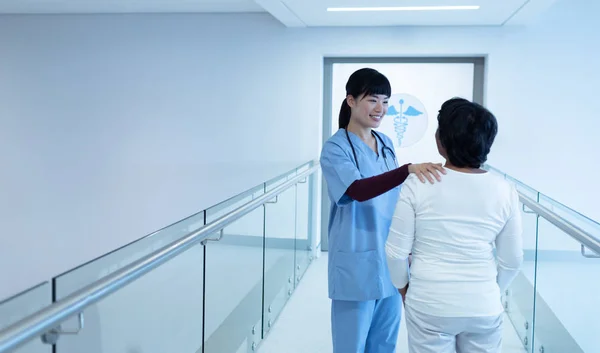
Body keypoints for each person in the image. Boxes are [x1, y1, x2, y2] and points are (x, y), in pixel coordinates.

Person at [320, 68, 446, 353]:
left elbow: (395, 197)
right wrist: (407, 170)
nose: (381, 109)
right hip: (356, 263)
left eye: (386, 101)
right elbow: (357, 190)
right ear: (351, 100)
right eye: (372, 100)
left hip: (390, 260)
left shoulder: (386, 144)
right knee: (351, 346)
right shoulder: (336, 148)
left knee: (383, 345)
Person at [385, 97, 524, 353]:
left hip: (429, 301)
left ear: (442, 142)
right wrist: (489, 292)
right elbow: (512, 260)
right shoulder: (505, 190)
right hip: (483, 304)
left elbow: (395, 253)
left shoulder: (419, 183)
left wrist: (404, 290)